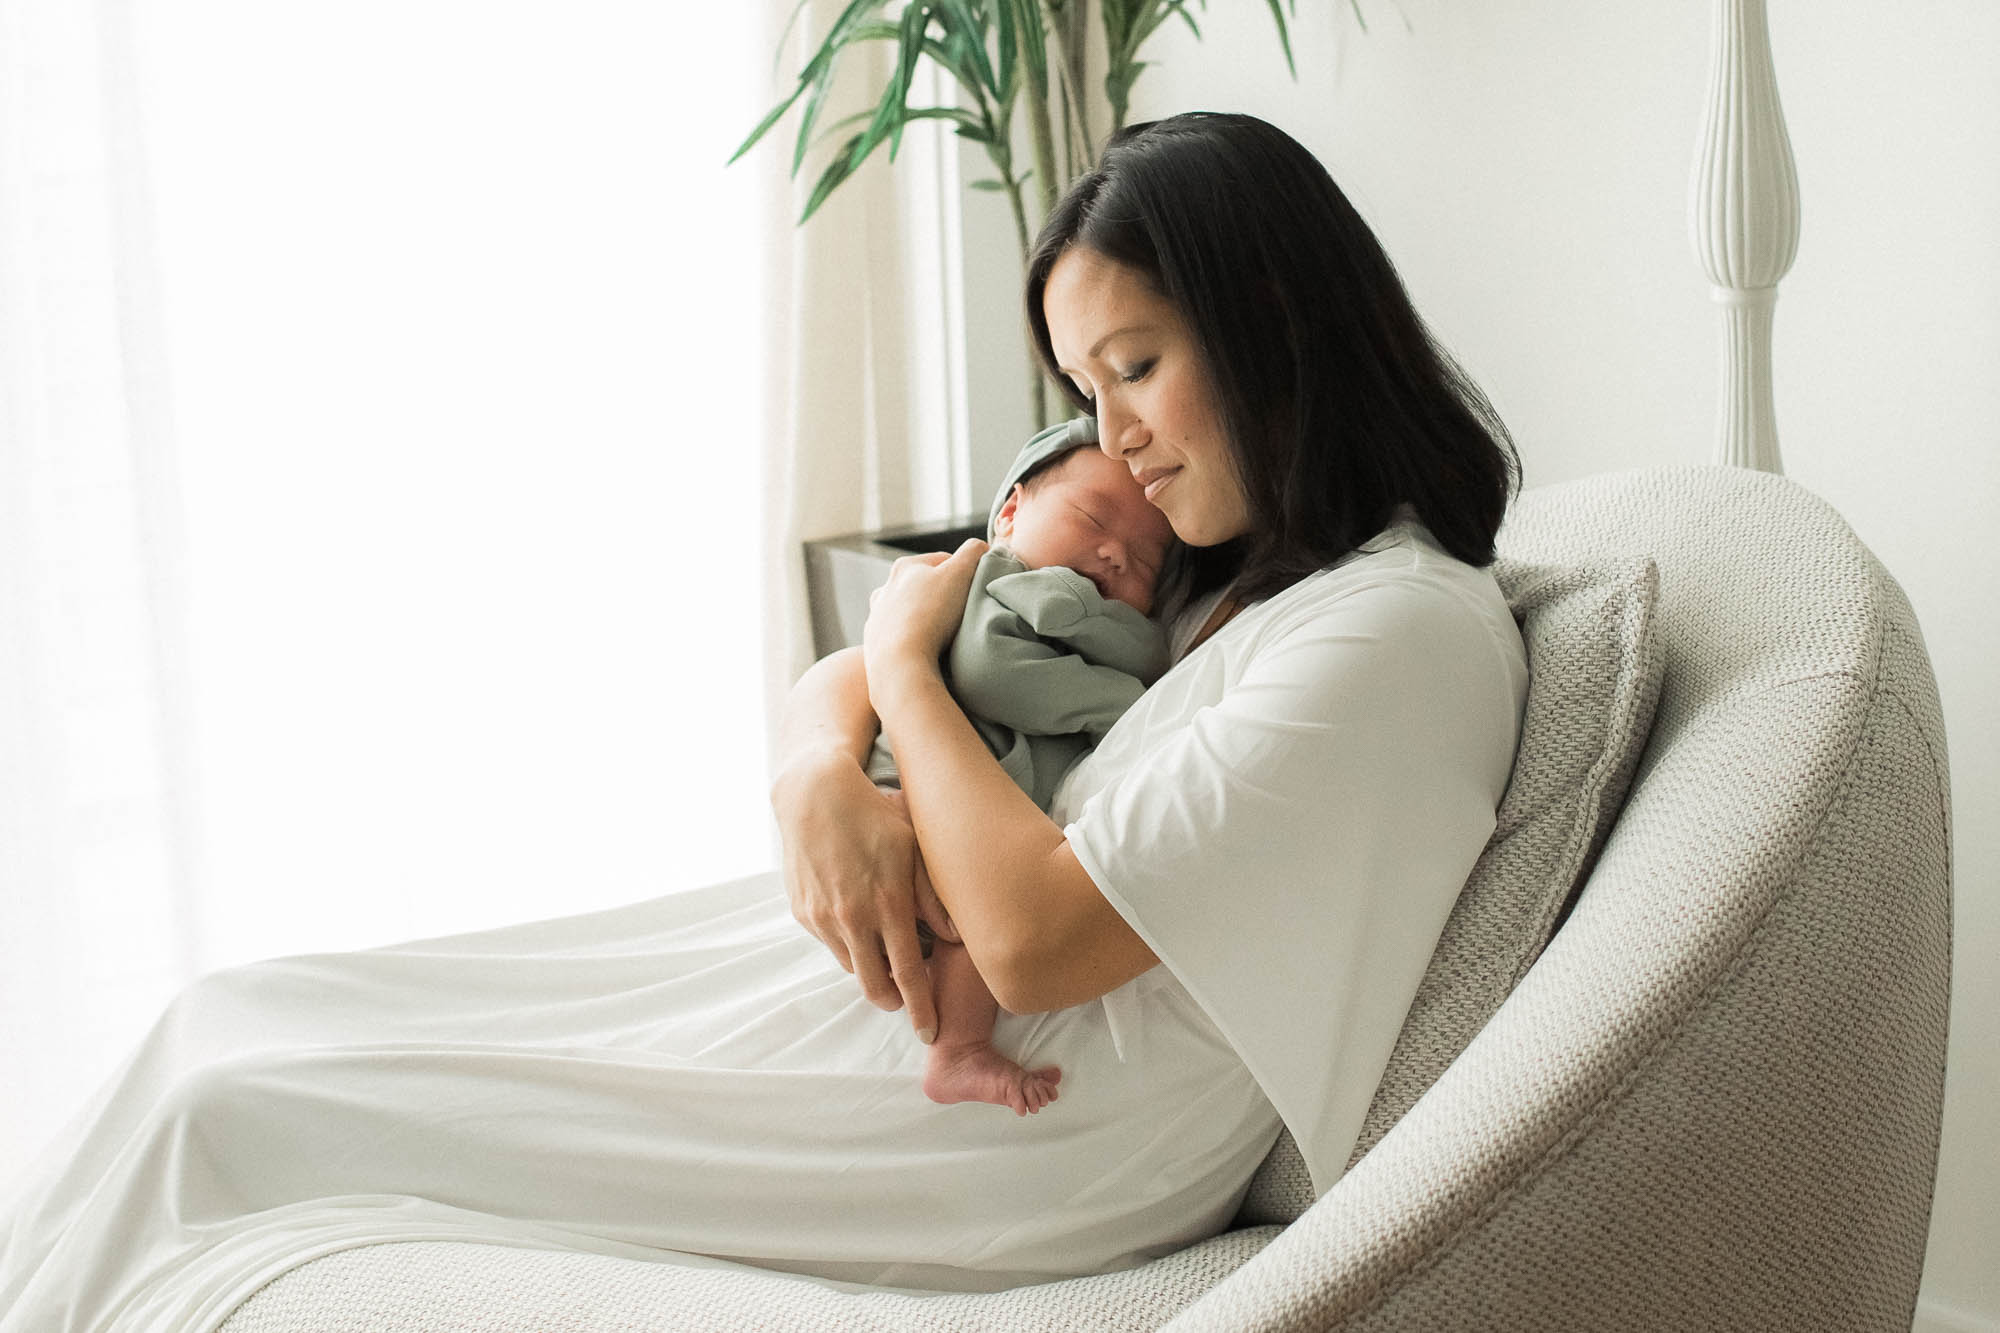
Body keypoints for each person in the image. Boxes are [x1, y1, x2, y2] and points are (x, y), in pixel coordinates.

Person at [0, 111, 1527, 1330]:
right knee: (223, 1021)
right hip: (919, 997)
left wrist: (902, 673)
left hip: (1026, 1121)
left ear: (1271, 317)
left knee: (233, 1112)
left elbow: (1038, 937)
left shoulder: (1397, 632)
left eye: (1135, 368)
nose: (1112, 438)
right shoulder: (1231, 570)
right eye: (1085, 386)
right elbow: (935, 636)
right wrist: (815, 765)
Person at [864, 422, 1177, 1115]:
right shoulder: (999, 581)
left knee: (970, 915)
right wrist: (1125, 701)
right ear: (1010, 512)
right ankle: (959, 1050)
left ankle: (958, 1049)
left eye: (1148, 561)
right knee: (955, 908)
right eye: (1093, 518)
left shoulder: (1114, 628)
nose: (1114, 552)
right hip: (909, 789)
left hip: (978, 822)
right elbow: (991, 675)